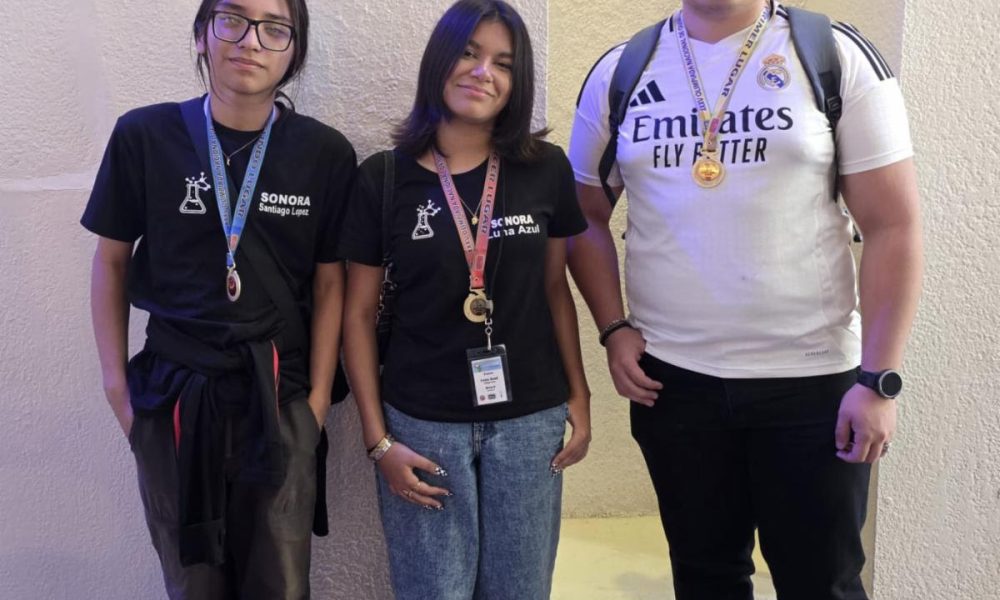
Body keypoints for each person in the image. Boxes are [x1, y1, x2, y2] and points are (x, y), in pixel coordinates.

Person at [568, 0, 922, 598]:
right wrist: (612, 327)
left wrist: (878, 380)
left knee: (822, 585)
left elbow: (894, 226)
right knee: (705, 578)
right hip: (674, 385)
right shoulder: (621, 70)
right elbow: (583, 217)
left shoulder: (833, 54)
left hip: (812, 385)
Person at [81, 1, 356, 598]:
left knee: (280, 586)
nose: (250, 40)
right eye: (232, 19)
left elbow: (331, 282)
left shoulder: (324, 153)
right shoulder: (144, 136)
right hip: (173, 398)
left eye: (274, 28)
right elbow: (111, 260)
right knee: (192, 584)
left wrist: (314, 403)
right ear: (203, 33)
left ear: (294, 50)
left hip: (279, 399)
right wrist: (116, 388)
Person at [339, 1, 591, 598]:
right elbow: (356, 315)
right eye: (469, 53)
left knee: (520, 590)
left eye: (503, 62)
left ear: (517, 81)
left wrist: (579, 395)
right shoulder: (383, 178)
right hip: (422, 424)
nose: (484, 73)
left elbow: (555, 289)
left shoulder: (545, 169)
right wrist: (377, 441)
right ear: (439, 60)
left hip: (530, 418)